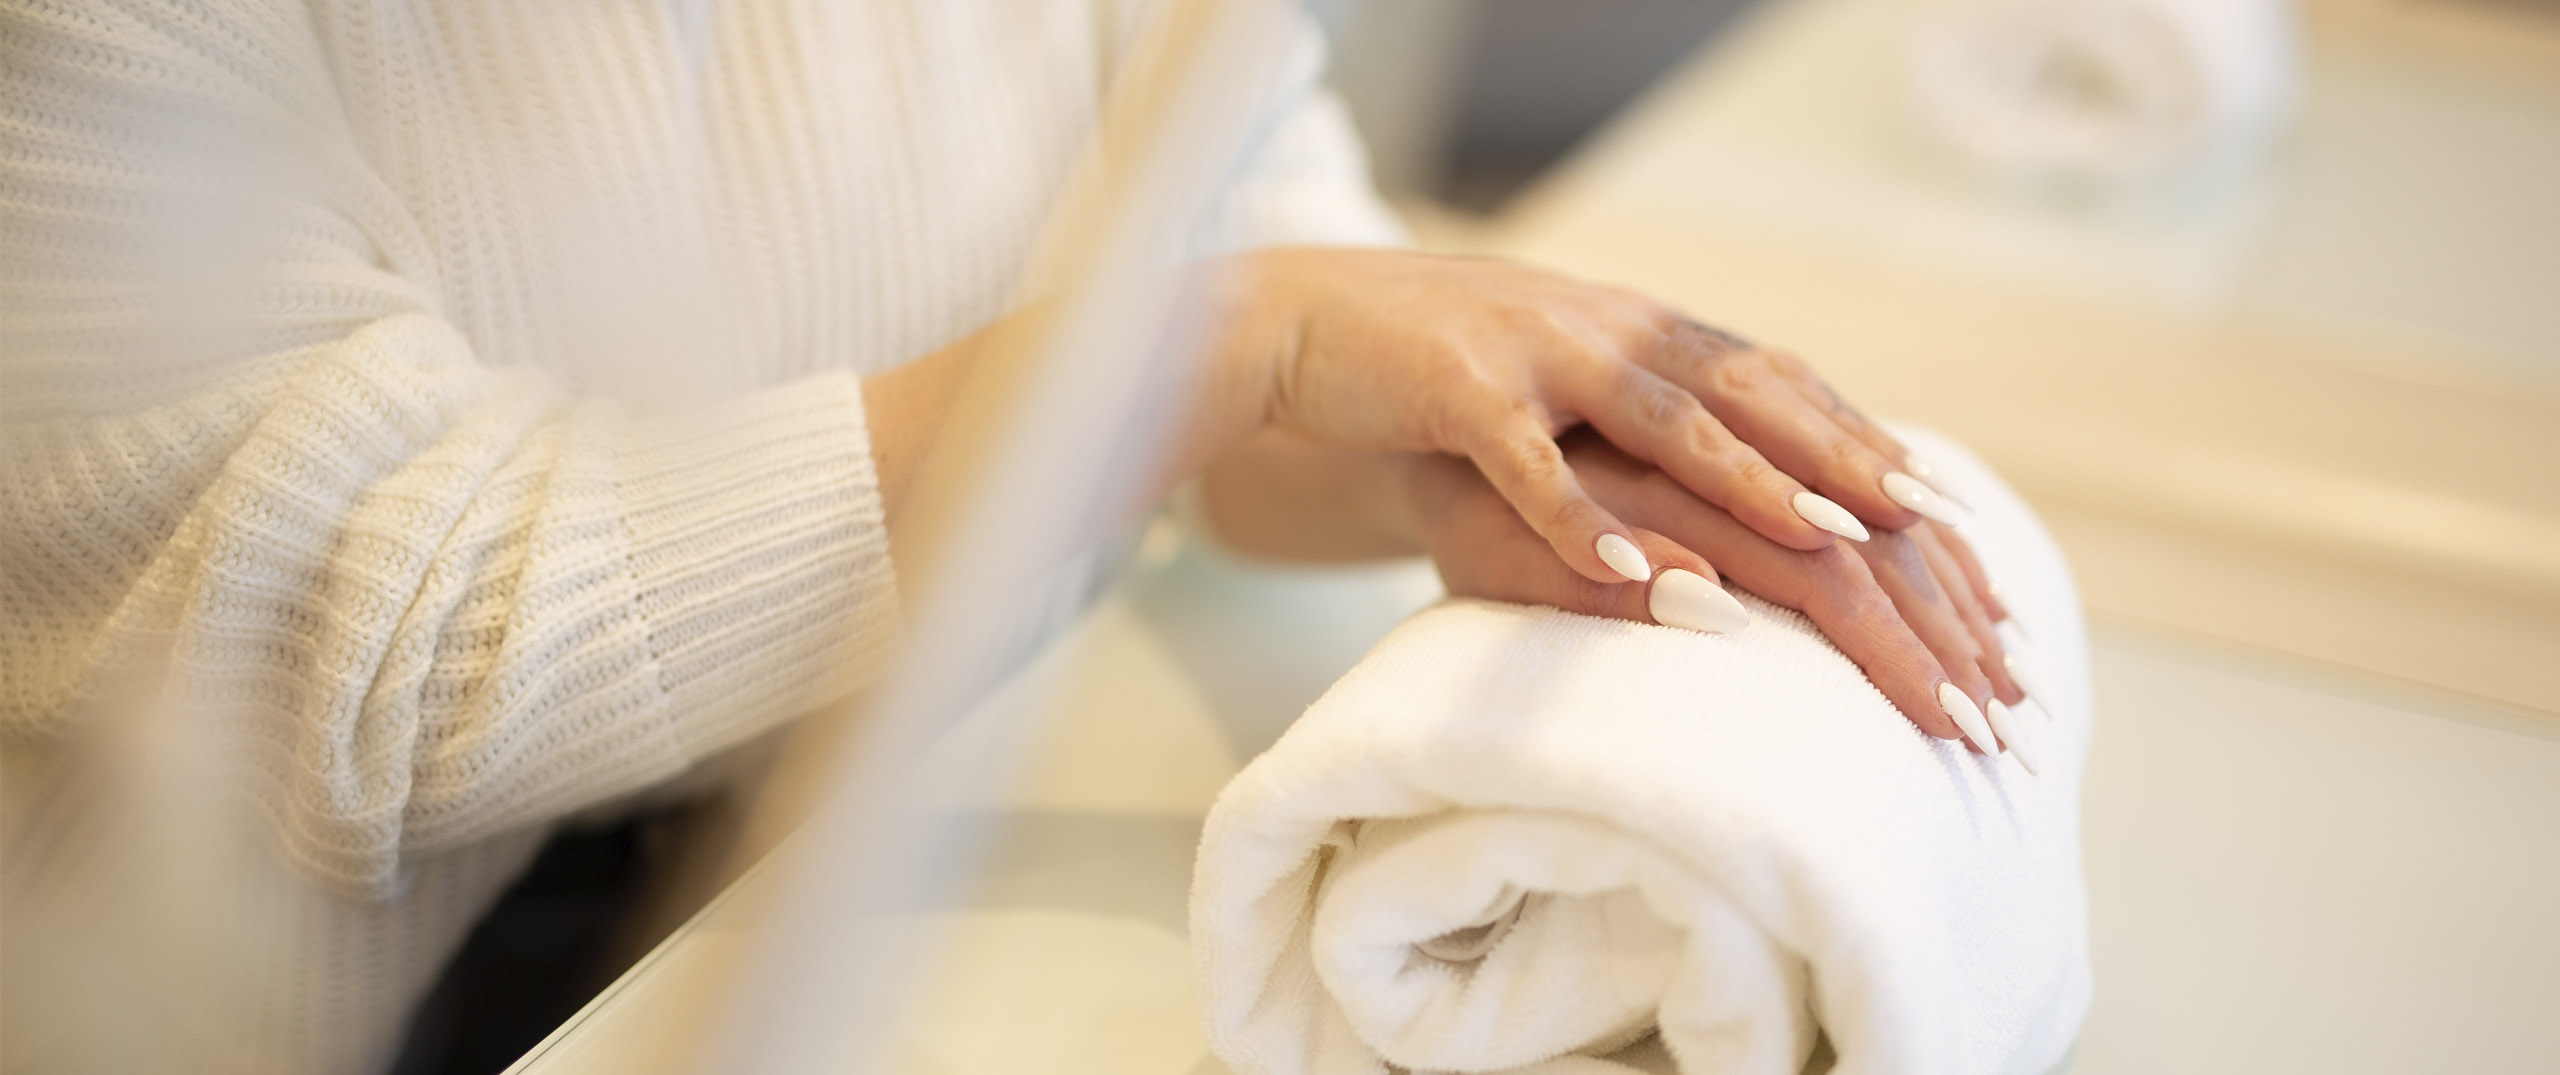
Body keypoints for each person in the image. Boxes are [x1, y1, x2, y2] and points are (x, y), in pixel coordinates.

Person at [0, 0, 2028, 1071]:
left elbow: (1248, 309)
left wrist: (1486, 448)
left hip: (866, 902)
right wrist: (1216, 344)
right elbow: (337, 639)